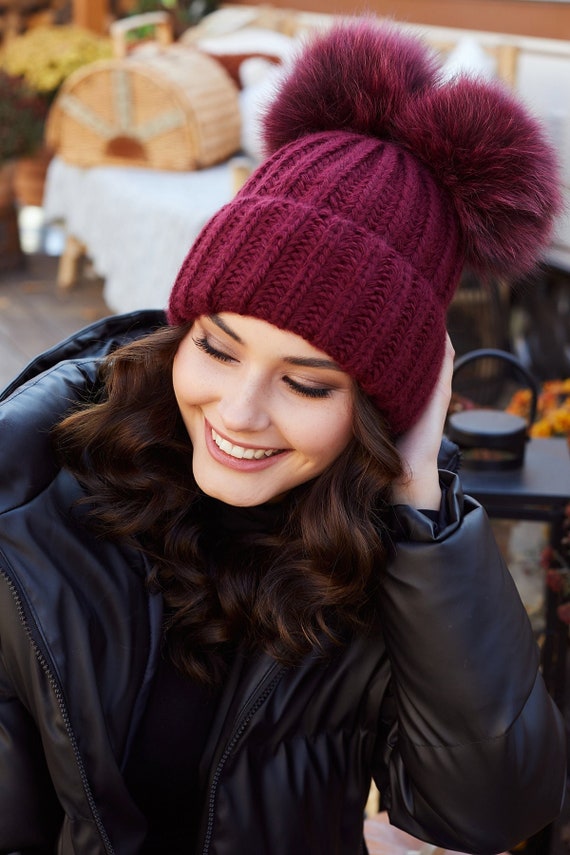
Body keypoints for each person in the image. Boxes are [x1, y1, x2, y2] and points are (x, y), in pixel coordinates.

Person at [0, 18, 566, 855]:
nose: (238, 411)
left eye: (307, 383)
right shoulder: (34, 494)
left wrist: (420, 500)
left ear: (384, 406)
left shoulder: (388, 551)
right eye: (217, 347)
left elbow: (488, 808)